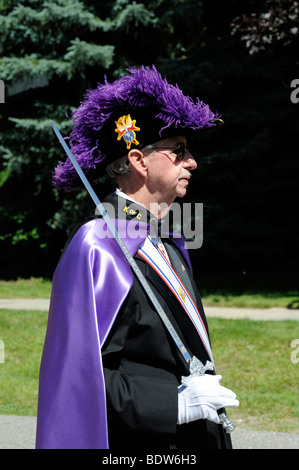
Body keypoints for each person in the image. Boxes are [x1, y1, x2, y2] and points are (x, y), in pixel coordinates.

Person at [36, 65, 239, 449]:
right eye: (179, 151)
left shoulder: (170, 240)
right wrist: (171, 406)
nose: (192, 162)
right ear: (139, 161)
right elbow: (79, 376)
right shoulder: (96, 246)